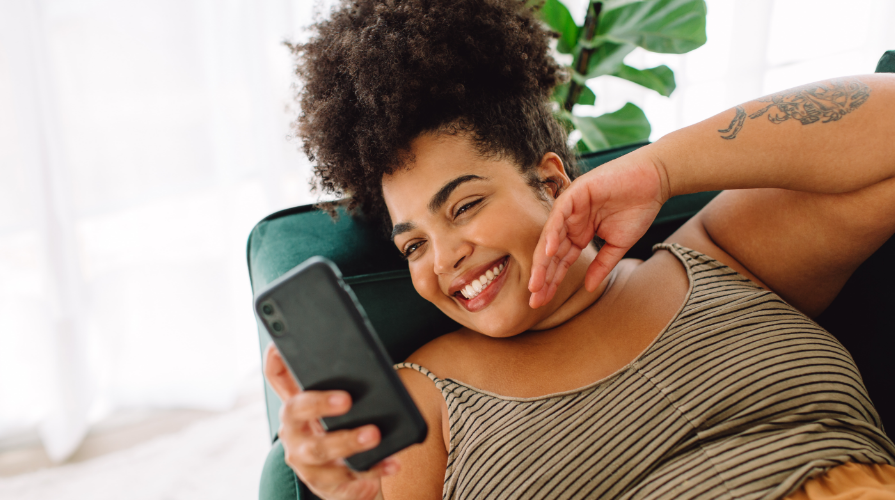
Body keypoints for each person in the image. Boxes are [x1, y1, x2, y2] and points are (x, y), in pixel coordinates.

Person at [262, 0, 895, 499]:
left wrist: (661, 170)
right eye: (413, 245)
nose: (444, 258)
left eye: (465, 206)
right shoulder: (420, 401)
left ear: (554, 182)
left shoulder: (725, 253)